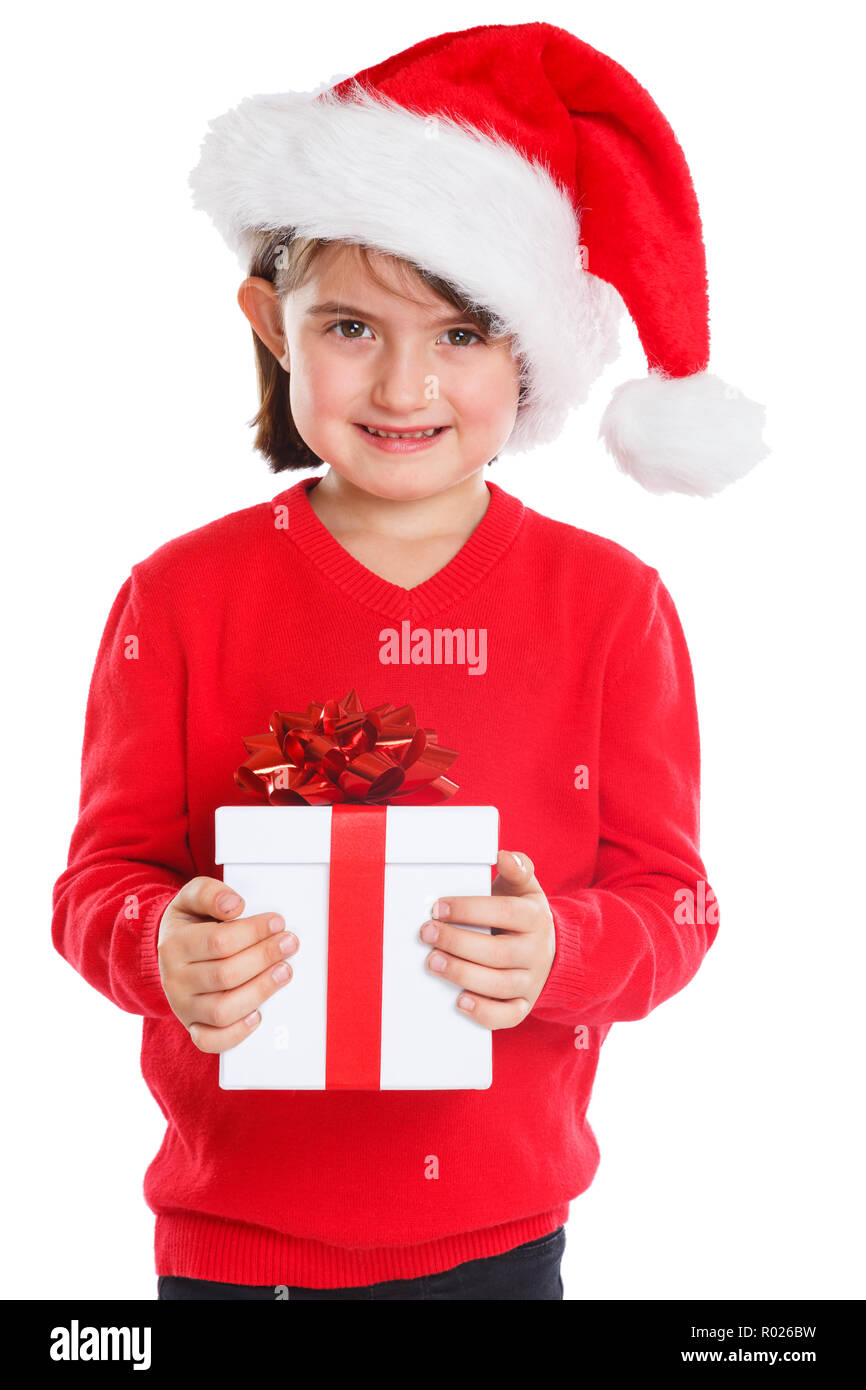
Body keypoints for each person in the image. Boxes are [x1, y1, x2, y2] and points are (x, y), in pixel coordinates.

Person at [51, 20, 768, 1301]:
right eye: (348, 326)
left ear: (530, 353)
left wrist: (562, 953)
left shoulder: (611, 606)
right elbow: (98, 881)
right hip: (232, 1253)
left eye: (461, 332)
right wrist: (155, 939)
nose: (401, 381)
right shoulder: (177, 595)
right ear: (270, 323)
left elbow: (674, 902)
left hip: (497, 1249)